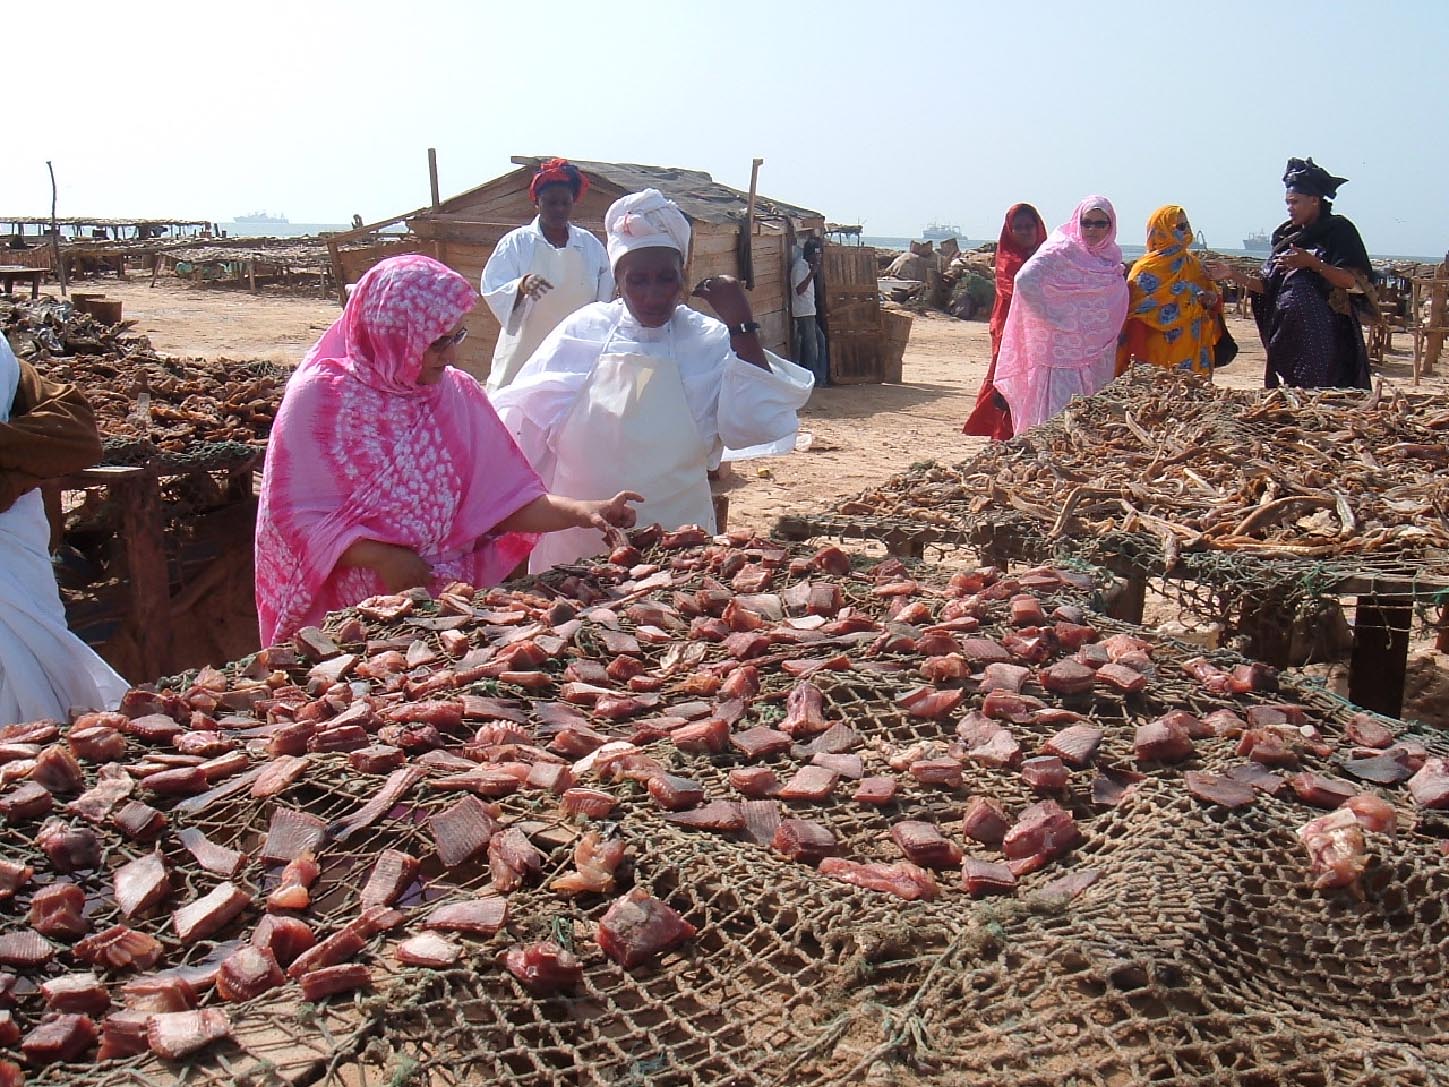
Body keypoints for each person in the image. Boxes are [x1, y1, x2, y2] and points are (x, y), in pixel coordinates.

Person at [254, 255, 639, 646]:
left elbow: (503, 502)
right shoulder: (321, 400)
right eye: (437, 342)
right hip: (350, 618)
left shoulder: (457, 394)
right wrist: (383, 558)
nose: (451, 355)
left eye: (457, 336)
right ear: (391, 333)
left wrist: (584, 511)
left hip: (448, 611)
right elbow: (293, 517)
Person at [492, 188, 815, 574]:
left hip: (679, 534)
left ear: (683, 277)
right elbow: (520, 428)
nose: (653, 294)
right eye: (637, 281)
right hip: (578, 534)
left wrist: (741, 325)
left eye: (666, 279)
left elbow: (761, 422)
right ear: (617, 280)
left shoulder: (706, 339)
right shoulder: (583, 330)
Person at [0, 334, 129, 724]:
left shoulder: (10, 371)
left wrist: (11, 478)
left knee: (33, 682)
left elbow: (78, 435)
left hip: (16, 558)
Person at [1218, 158, 1371, 388]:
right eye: (1287, 202)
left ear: (1314, 200)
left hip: (1329, 338)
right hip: (1290, 335)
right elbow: (1269, 287)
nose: (1290, 208)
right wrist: (1232, 274)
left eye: (1295, 202)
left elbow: (1352, 281)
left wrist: (1313, 263)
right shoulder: (1285, 236)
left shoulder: (1339, 232)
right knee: (1296, 392)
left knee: (1327, 393)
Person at [993, 196, 1129, 436]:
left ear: (1111, 226)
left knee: (1091, 421)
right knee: (1058, 420)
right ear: (1077, 222)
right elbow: (1025, 280)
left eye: (1100, 224)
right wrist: (1059, 320)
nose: (1092, 230)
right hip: (1062, 355)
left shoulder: (1109, 258)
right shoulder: (1062, 250)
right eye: (1087, 223)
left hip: (1098, 354)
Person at [479, 159, 614, 393]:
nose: (559, 209)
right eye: (551, 202)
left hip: (575, 355)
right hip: (524, 353)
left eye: (565, 203)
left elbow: (605, 296)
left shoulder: (589, 245)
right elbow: (493, 287)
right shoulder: (517, 243)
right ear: (537, 204)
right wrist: (521, 286)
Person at [963, 203, 1047, 438]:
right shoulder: (1008, 261)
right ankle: (1003, 434)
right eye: (1019, 227)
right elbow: (1016, 291)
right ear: (1010, 230)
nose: (1025, 231)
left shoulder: (1051, 256)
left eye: (1029, 226)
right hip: (1010, 329)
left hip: (1042, 331)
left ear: (1038, 226)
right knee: (1008, 381)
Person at [1117, 205, 1222, 377]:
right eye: (1180, 227)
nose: (1186, 231)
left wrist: (1211, 300)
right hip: (1157, 353)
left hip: (1194, 349)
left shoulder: (1194, 265)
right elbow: (1135, 313)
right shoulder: (1146, 268)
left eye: (1187, 225)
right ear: (1161, 231)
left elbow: (1213, 304)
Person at [791, 238, 829, 386]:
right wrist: (812, 273)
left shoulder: (806, 266)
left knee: (820, 341)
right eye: (817, 253)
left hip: (809, 311)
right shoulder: (800, 267)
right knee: (811, 348)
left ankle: (819, 376)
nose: (819, 257)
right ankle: (814, 378)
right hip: (803, 313)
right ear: (810, 253)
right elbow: (799, 290)